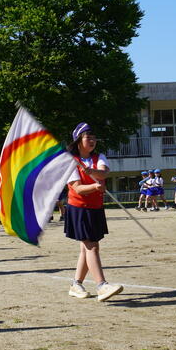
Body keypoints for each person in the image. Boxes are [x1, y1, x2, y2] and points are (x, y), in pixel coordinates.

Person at [64, 122, 123, 302]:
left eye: (94, 137)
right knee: (92, 246)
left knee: (85, 248)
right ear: (78, 141)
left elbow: (103, 173)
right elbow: (78, 189)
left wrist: (92, 171)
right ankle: (101, 285)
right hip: (79, 208)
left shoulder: (99, 157)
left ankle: (76, 284)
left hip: (96, 207)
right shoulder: (70, 162)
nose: (92, 140)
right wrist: (95, 186)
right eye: (87, 137)